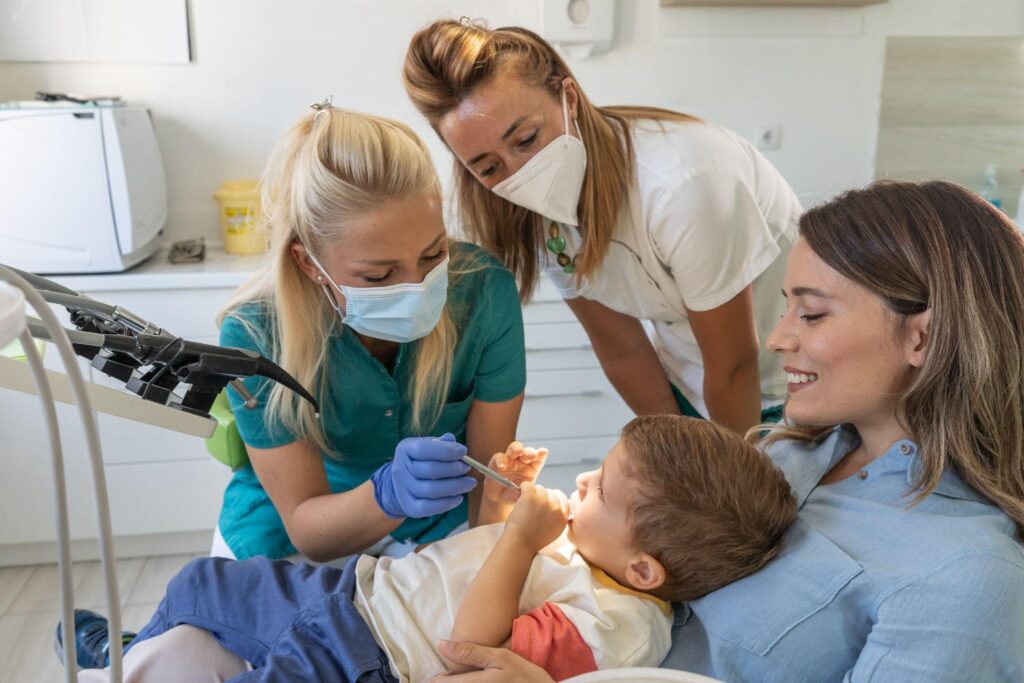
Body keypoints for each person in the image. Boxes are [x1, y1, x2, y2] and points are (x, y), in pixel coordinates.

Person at [435, 179, 1024, 682]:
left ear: (923, 336)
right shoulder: (785, 453)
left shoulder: (967, 578)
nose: (778, 339)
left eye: (812, 313)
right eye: (788, 307)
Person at [59, 415, 797, 681]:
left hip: (367, 655)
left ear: (645, 568)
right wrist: (505, 503)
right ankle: (132, 653)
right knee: (201, 582)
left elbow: (469, 649)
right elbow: (489, 561)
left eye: (600, 488)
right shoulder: (591, 551)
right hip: (353, 593)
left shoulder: (620, 620)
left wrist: (518, 536)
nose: (582, 482)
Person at [402, 19, 804, 436]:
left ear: (568, 97)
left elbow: (735, 363)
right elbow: (622, 349)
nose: (519, 173)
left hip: (785, 382)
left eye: (525, 139)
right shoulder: (536, 212)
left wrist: (725, 478)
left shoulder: (683, 186)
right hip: (690, 379)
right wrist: (675, 447)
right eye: (488, 167)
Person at [209, 103, 526, 564]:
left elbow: (489, 484)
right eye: (378, 276)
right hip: (300, 519)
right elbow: (309, 530)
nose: (417, 286)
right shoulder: (257, 334)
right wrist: (388, 494)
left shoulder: (483, 292)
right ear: (307, 263)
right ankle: (102, 639)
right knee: (225, 627)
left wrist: (484, 568)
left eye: (434, 254)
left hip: (441, 510)